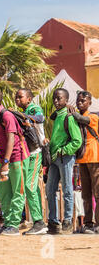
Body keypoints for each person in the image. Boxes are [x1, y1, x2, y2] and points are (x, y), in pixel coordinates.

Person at [0, 89, 30, 236]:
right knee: (3, 191)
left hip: (17, 157)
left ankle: (14, 225)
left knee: (17, 191)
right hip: (4, 159)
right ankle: (8, 223)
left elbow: (11, 139)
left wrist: (5, 162)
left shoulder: (7, 115)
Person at [46, 88, 82, 234]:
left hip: (65, 157)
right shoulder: (56, 116)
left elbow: (77, 140)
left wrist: (63, 150)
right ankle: (53, 222)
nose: (56, 101)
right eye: (54, 98)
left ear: (66, 100)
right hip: (54, 158)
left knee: (67, 189)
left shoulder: (69, 116)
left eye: (59, 98)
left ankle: (67, 221)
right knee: (50, 189)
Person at [15, 88, 47, 235]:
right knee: (31, 187)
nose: (17, 100)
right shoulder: (24, 111)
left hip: (35, 153)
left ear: (29, 99)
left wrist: (21, 115)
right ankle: (38, 221)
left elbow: (40, 118)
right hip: (28, 154)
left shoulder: (34, 108)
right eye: (16, 97)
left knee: (30, 186)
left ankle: (39, 222)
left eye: (20, 97)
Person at [75, 91, 99, 234]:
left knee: (97, 193)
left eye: (83, 100)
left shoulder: (93, 117)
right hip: (82, 158)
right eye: (78, 100)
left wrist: (70, 111)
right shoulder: (76, 118)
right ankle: (88, 223)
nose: (80, 102)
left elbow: (82, 119)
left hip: (95, 157)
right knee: (85, 194)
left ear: (89, 102)